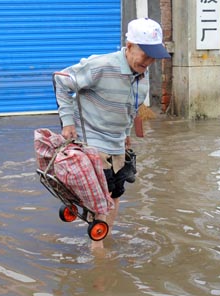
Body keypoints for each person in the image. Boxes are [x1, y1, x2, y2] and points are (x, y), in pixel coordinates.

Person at [54, 18, 170, 249]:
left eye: (154, 56)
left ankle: (104, 240)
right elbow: (60, 80)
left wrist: (126, 134)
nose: (149, 61)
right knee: (101, 203)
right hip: (92, 143)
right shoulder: (101, 66)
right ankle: (98, 255)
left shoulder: (142, 77)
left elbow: (130, 110)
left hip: (117, 146)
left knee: (115, 195)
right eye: (145, 54)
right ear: (129, 46)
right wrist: (67, 122)